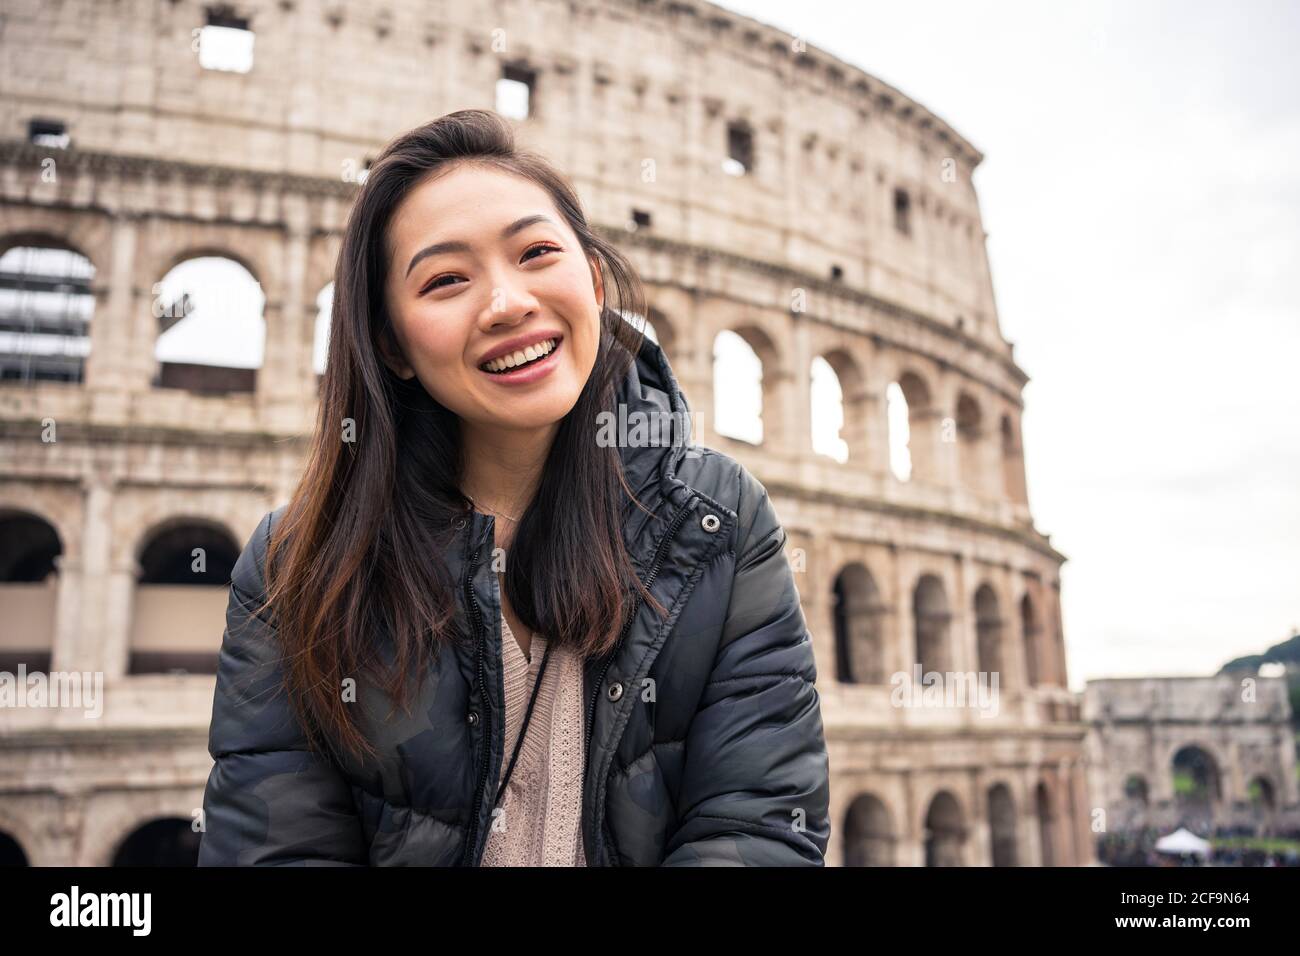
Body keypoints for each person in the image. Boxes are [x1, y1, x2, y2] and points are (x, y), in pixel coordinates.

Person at [198, 109, 831, 866]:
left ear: (593, 283)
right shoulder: (294, 562)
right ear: (392, 344)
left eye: (536, 252)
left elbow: (757, 825)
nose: (507, 303)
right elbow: (277, 851)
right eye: (446, 280)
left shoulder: (719, 521)